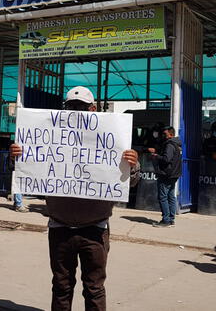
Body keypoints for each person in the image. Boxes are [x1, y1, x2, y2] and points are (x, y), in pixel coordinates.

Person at [9, 86, 139, 311]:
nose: (77, 111)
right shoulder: (53, 135)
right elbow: (31, 171)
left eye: (82, 107)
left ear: (94, 108)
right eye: (72, 107)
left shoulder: (111, 136)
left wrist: (133, 165)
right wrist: (19, 158)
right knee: (61, 285)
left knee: (94, 288)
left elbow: (130, 182)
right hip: (60, 227)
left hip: (95, 229)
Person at [149, 126, 183, 228]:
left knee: (163, 197)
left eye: (165, 134)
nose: (163, 136)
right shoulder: (177, 144)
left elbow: (166, 159)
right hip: (174, 174)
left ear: (171, 134)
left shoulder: (170, 145)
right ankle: (171, 219)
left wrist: (156, 156)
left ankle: (166, 220)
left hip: (166, 174)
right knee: (171, 196)